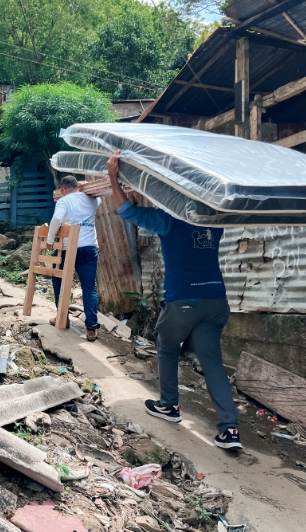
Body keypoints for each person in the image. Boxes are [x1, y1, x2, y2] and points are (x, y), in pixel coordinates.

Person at [106, 150, 242, 450]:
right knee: (213, 364)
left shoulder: (169, 221)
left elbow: (126, 211)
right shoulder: (215, 223)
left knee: (167, 348)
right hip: (216, 301)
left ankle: (169, 405)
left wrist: (114, 178)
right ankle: (230, 430)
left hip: (183, 302)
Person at [46, 175, 101, 342]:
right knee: (89, 288)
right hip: (89, 248)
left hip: (68, 249)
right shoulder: (91, 199)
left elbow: (56, 219)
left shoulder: (64, 200)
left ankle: (62, 318)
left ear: (63, 189)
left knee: (59, 281)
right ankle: (91, 328)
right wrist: (87, 188)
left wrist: (50, 240)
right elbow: (99, 199)